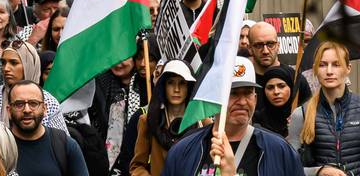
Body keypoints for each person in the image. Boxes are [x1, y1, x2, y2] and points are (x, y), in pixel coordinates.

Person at [162, 57, 301, 176]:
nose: (242, 102)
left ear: (256, 98)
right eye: (233, 93)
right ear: (215, 99)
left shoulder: (280, 151)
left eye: (247, 93)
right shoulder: (183, 151)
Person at [287, 41, 360, 175]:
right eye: (322, 65)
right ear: (315, 68)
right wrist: (318, 172)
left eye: (336, 65)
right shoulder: (301, 113)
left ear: (348, 68)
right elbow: (289, 167)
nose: (329, 71)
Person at [129, 60, 196, 176]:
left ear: (189, 86)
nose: (176, 89)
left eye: (182, 83)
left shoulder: (202, 122)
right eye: (171, 83)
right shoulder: (148, 121)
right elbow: (137, 166)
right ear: (163, 86)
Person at [0, 42, 67, 133]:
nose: (6, 68)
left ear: (29, 65)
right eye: (3, 63)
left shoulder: (49, 102)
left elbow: (61, 141)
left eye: (13, 63)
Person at [6, 81, 87, 176]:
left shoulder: (65, 145)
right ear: (9, 111)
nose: (27, 110)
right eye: (19, 104)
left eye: (33, 103)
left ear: (44, 109)